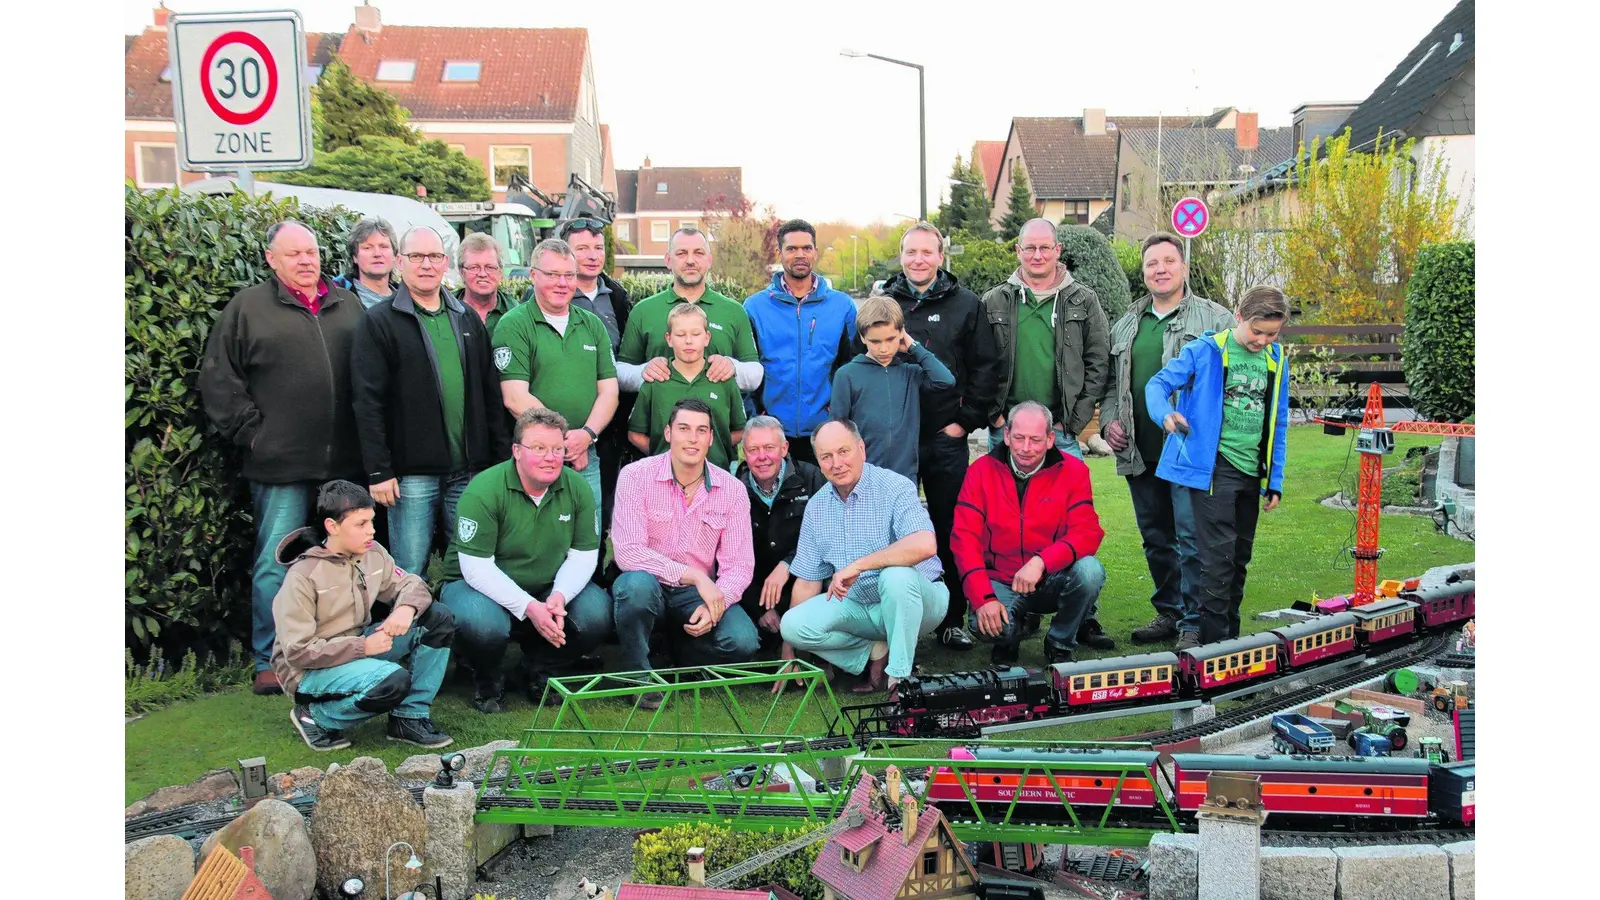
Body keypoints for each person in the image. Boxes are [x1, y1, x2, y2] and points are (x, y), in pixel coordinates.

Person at [200, 220, 365, 694]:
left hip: (344, 469)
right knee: (278, 561)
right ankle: (271, 659)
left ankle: (336, 651)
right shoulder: (248, 308)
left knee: (343, 560)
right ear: (272, 259)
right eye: (293, 253)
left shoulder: (346, 305)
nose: (306, 260)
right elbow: (219, 379)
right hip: (281, 466)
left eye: (311, 251)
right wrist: (255, 436)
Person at [866, 221, 999, 652]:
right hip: (893, 440)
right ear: (901, 255)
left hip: (944, 438)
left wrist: (966, 422)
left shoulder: (966, 305)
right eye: (910, 252)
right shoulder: (883, 303)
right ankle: (884, 615)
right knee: (888, 529)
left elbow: (985, 369)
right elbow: (859, 362)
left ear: (941, 256)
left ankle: (951, 617)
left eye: (927, 252)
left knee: (949, 526)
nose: (918, 260)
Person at [1100, 232, 1235, 650]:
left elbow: (1238, 382)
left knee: (1192, 538)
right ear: (1143, 273)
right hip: (1140, 452)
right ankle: (1170, 612)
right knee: (1156, 536)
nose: (1159, 269)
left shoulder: (1216, 320)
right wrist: (1108, 423)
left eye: (1167, 262)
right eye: (1151, 264)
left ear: (1184, 267)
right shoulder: (1126, 323)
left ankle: (1195, 621)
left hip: (1190, 453)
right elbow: (1110, 385)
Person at [350, 227, 508, 577]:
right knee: (409, 567)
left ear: (446, 263)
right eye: (417, 257)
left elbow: (489, 395)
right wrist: (379, 470)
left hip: (468, 471)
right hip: (411, 475)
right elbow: (367, 401)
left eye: (434, 257)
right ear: (400, 262)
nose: (426, 265)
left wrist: (497, 461)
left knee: (471, 562)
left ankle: (459, 628)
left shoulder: (466, 319)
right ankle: (409, 632)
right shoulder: (379, 322)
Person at [438, 408, 612, 712]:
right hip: (474, 586)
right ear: (516, 451)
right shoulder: (483, 491)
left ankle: (538, 669)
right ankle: (487, 678)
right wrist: (529, 607)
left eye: (557, 449)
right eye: (539, 448)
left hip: (546, 585)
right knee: (483, 626)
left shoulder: (577, 487)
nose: (550, 457)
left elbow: (584, 554)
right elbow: (476, 568)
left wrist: (560, 596)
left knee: (595, 613)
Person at [1145, 285, 1291, 646]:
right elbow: (1158, 384)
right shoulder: (1205, 350)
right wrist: (1165, 414)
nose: (1262, 340)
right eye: (1257, 331)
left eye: (1272, 334)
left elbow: (1280, 420)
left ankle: (1232, 644)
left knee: (1239, 559)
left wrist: (1274, 478)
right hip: (1213, 469)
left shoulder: (1276, 359)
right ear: (1239, 316)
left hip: (1250, 471)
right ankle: (1212, 650)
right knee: (1218, 560)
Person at [272, 480, 456, 751]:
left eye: (371, 521)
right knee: (393, 681)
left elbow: (410, 584)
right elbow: (297, 652)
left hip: (357, 647)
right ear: (332, 527)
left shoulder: (372, 552)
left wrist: (405, 609)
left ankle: (409, 719)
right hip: (307, 670)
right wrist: (364, 647)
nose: (371, 531)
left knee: (438, 619)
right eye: (360, 524)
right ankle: (316, 718)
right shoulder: (301, 577)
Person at [779, 419, 947, 695]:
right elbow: (808, 581)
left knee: (897, 575)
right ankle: (873, 652)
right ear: (819, 462)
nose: (836, 463)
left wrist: (860, 565)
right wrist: (791, 650)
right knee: (792, 624)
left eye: (843, 451)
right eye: (826, 456)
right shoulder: (817, 507)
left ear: (861, 449)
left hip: (919, 601)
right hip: (860, 607)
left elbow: (926, 544)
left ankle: (899, 680)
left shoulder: (895, 487)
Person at [611, 398, 760, 709]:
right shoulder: (635, 476)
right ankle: (637, 679)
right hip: (648, 583)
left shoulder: (731, 490)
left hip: (694, 595)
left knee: (743, 641)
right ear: (668, 433)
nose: (692, 438)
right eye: (684, 428)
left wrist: (719, 602)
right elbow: (627, 552)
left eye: (701, 430)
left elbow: (740, 565)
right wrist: (693, 575)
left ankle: (676, 654)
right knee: (634, 588)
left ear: (710, 438)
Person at [951, 402, 1107, 665]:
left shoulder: (1074, 471)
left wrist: (1041, 562)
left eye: (1035, 440)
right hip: (1000, 578)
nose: (1025, 448)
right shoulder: (980, 472)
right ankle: (1011, 635)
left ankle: (1060, 641)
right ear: (1008, 435)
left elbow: (1087, 531)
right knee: (983, 625)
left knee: (1090, 570)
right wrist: (983, 598)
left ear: (1050, 439)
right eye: (1019, 438)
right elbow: (963, 539)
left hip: (1050, 578)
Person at [493, 238, 619, 518]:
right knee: (536, 539)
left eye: (569, 275)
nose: (562, 283)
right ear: (533, 275)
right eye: (552, 274)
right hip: (535, 457)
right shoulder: (514, 324)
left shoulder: (592, 324)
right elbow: (515, 398)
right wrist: (563, 443)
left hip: (586, 455)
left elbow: (609, 392)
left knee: (588, 538)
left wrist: (586, 436)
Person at [982, 219, 1110, 460]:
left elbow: (1099, 363)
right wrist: (995, 418)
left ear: (1057, 250)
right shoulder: (994, 300)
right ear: (1019, 251)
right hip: (1007, 430)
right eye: (1030, 248)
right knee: (1004, 498)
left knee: (1069, 498)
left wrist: (1072, 422)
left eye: (1045, 248)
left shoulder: (1084, 300)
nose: (1037, 255)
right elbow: (977, 363)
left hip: (1061, 432)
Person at [742, 219, 858, 465]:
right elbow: (746, 366)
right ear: (780, 253)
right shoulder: (754, 307)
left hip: (825, 431)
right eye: (792, 249)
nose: (800, 255)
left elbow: (852, 366)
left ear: (815, 251)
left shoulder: (842, 306)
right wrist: (756, 415)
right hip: (772, 431)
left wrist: (837, 414)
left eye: (806, 248)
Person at [616, 226, 763, 399]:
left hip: (717, 422)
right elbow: (619, 372)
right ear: (668, 260)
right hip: (660, 421)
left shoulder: (733, 311)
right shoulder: (643, 310)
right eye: (682, 253)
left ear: (709, 259)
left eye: (699, 253)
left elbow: (756, 373)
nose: (691, 260)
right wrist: (643, 372)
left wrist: (733, 367)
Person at [562, 218, 636, 544]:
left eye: (598, 247)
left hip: (611, 418)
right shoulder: (549, 296)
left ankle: (596, 560)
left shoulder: (617, 297)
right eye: (582, 249)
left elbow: (629, 355)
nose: (593, 255)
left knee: (604, 495)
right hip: (566, 418)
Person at [830, 296, 953, 481]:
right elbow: (838, 429)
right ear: (863, 337)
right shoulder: (847, 375)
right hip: (861, 476)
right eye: (875, 342)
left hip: (905, 476)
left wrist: (913, 347)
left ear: (901, 333)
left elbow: (945, 380)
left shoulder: (910, 373)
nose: (884, 349)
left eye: (890, 339)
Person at [733, 416, 827, 654]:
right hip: (756, 590)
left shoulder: (813, 479)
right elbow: (731, 557)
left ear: (784, 448)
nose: (762, 457)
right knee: (748, 644)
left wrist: (788, 564)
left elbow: (825, 539)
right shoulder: (733, 488)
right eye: (754, 450)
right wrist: (760, 607)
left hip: (806, 581)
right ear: (744, 453)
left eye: (769, 448)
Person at [628, 303, 746, 468]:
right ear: (669, 339)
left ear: (707, 337)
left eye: (696, 334)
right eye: (681, 335)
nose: (688, 341)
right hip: (665, 476)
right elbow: (635, 433)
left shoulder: (723, 380)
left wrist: (713, 448)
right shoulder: (655, 381)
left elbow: (740, 429)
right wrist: (664, 455)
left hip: (716, 473)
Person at [457, 232, 521, 337]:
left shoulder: (516, 313)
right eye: (474, 267)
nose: (482, 274)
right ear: (461, 272)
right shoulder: (447, 309)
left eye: (490, 267)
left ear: (500, 271)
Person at [334, 217, 398, 309]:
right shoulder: (336, 297)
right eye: (368, 248)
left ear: (394, 256)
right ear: (355, 257)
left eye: (383, 247)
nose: (377, 254)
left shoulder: (410, 300)